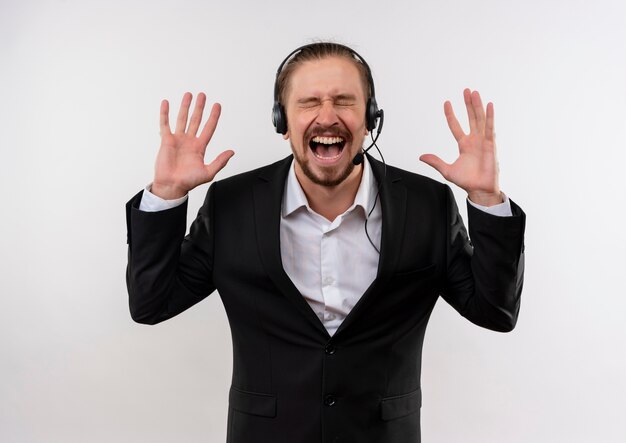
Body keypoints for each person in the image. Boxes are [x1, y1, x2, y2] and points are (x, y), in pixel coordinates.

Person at [125, 42, 525, 443]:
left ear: (370, 118)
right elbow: (151, 303)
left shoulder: (426, 205)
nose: (327, 116)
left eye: (344, 101)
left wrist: (487, 200)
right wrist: (166, 193)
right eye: (309, 102)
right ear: (282, 122)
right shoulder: (232, 204)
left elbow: (494, 312)